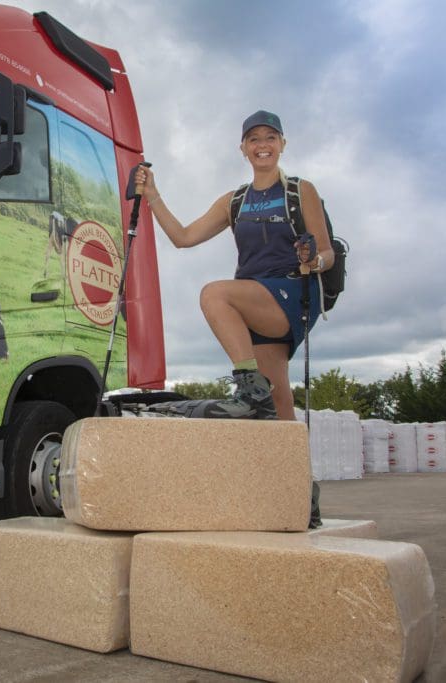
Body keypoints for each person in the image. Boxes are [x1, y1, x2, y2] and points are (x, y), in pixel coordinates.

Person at [137, 110, 333, 525]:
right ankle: (303, 499)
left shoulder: (300, 190)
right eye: (254, 139)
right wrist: (153, 196)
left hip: (290, 293)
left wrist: (315, 259)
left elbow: (327, 251)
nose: (263, 145)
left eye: (270, 137)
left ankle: (248, 389)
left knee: (214, 293)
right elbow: (183, 238)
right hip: (253, 303)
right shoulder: (235, 201)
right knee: (278, 411)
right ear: (243, 148)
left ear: (282, 144)